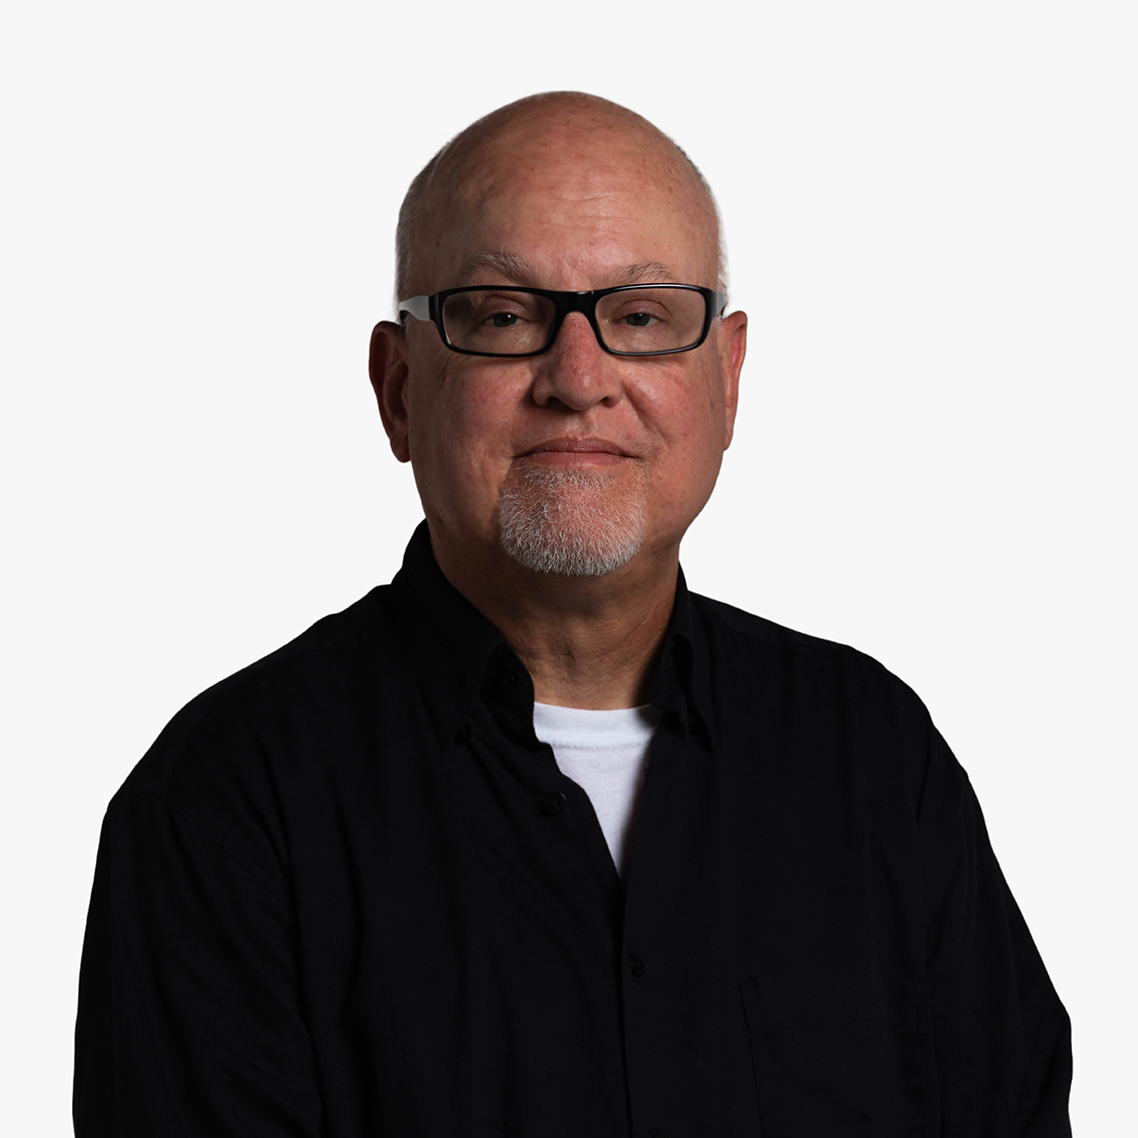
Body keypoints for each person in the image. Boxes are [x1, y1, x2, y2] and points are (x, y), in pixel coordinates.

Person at [74, 92, 1072, 1136]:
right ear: (399, 387)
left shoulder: (873, 756)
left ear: (726, 379)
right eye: (503, 317)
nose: (579, 378)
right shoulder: (226, 803)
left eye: (641, 317)